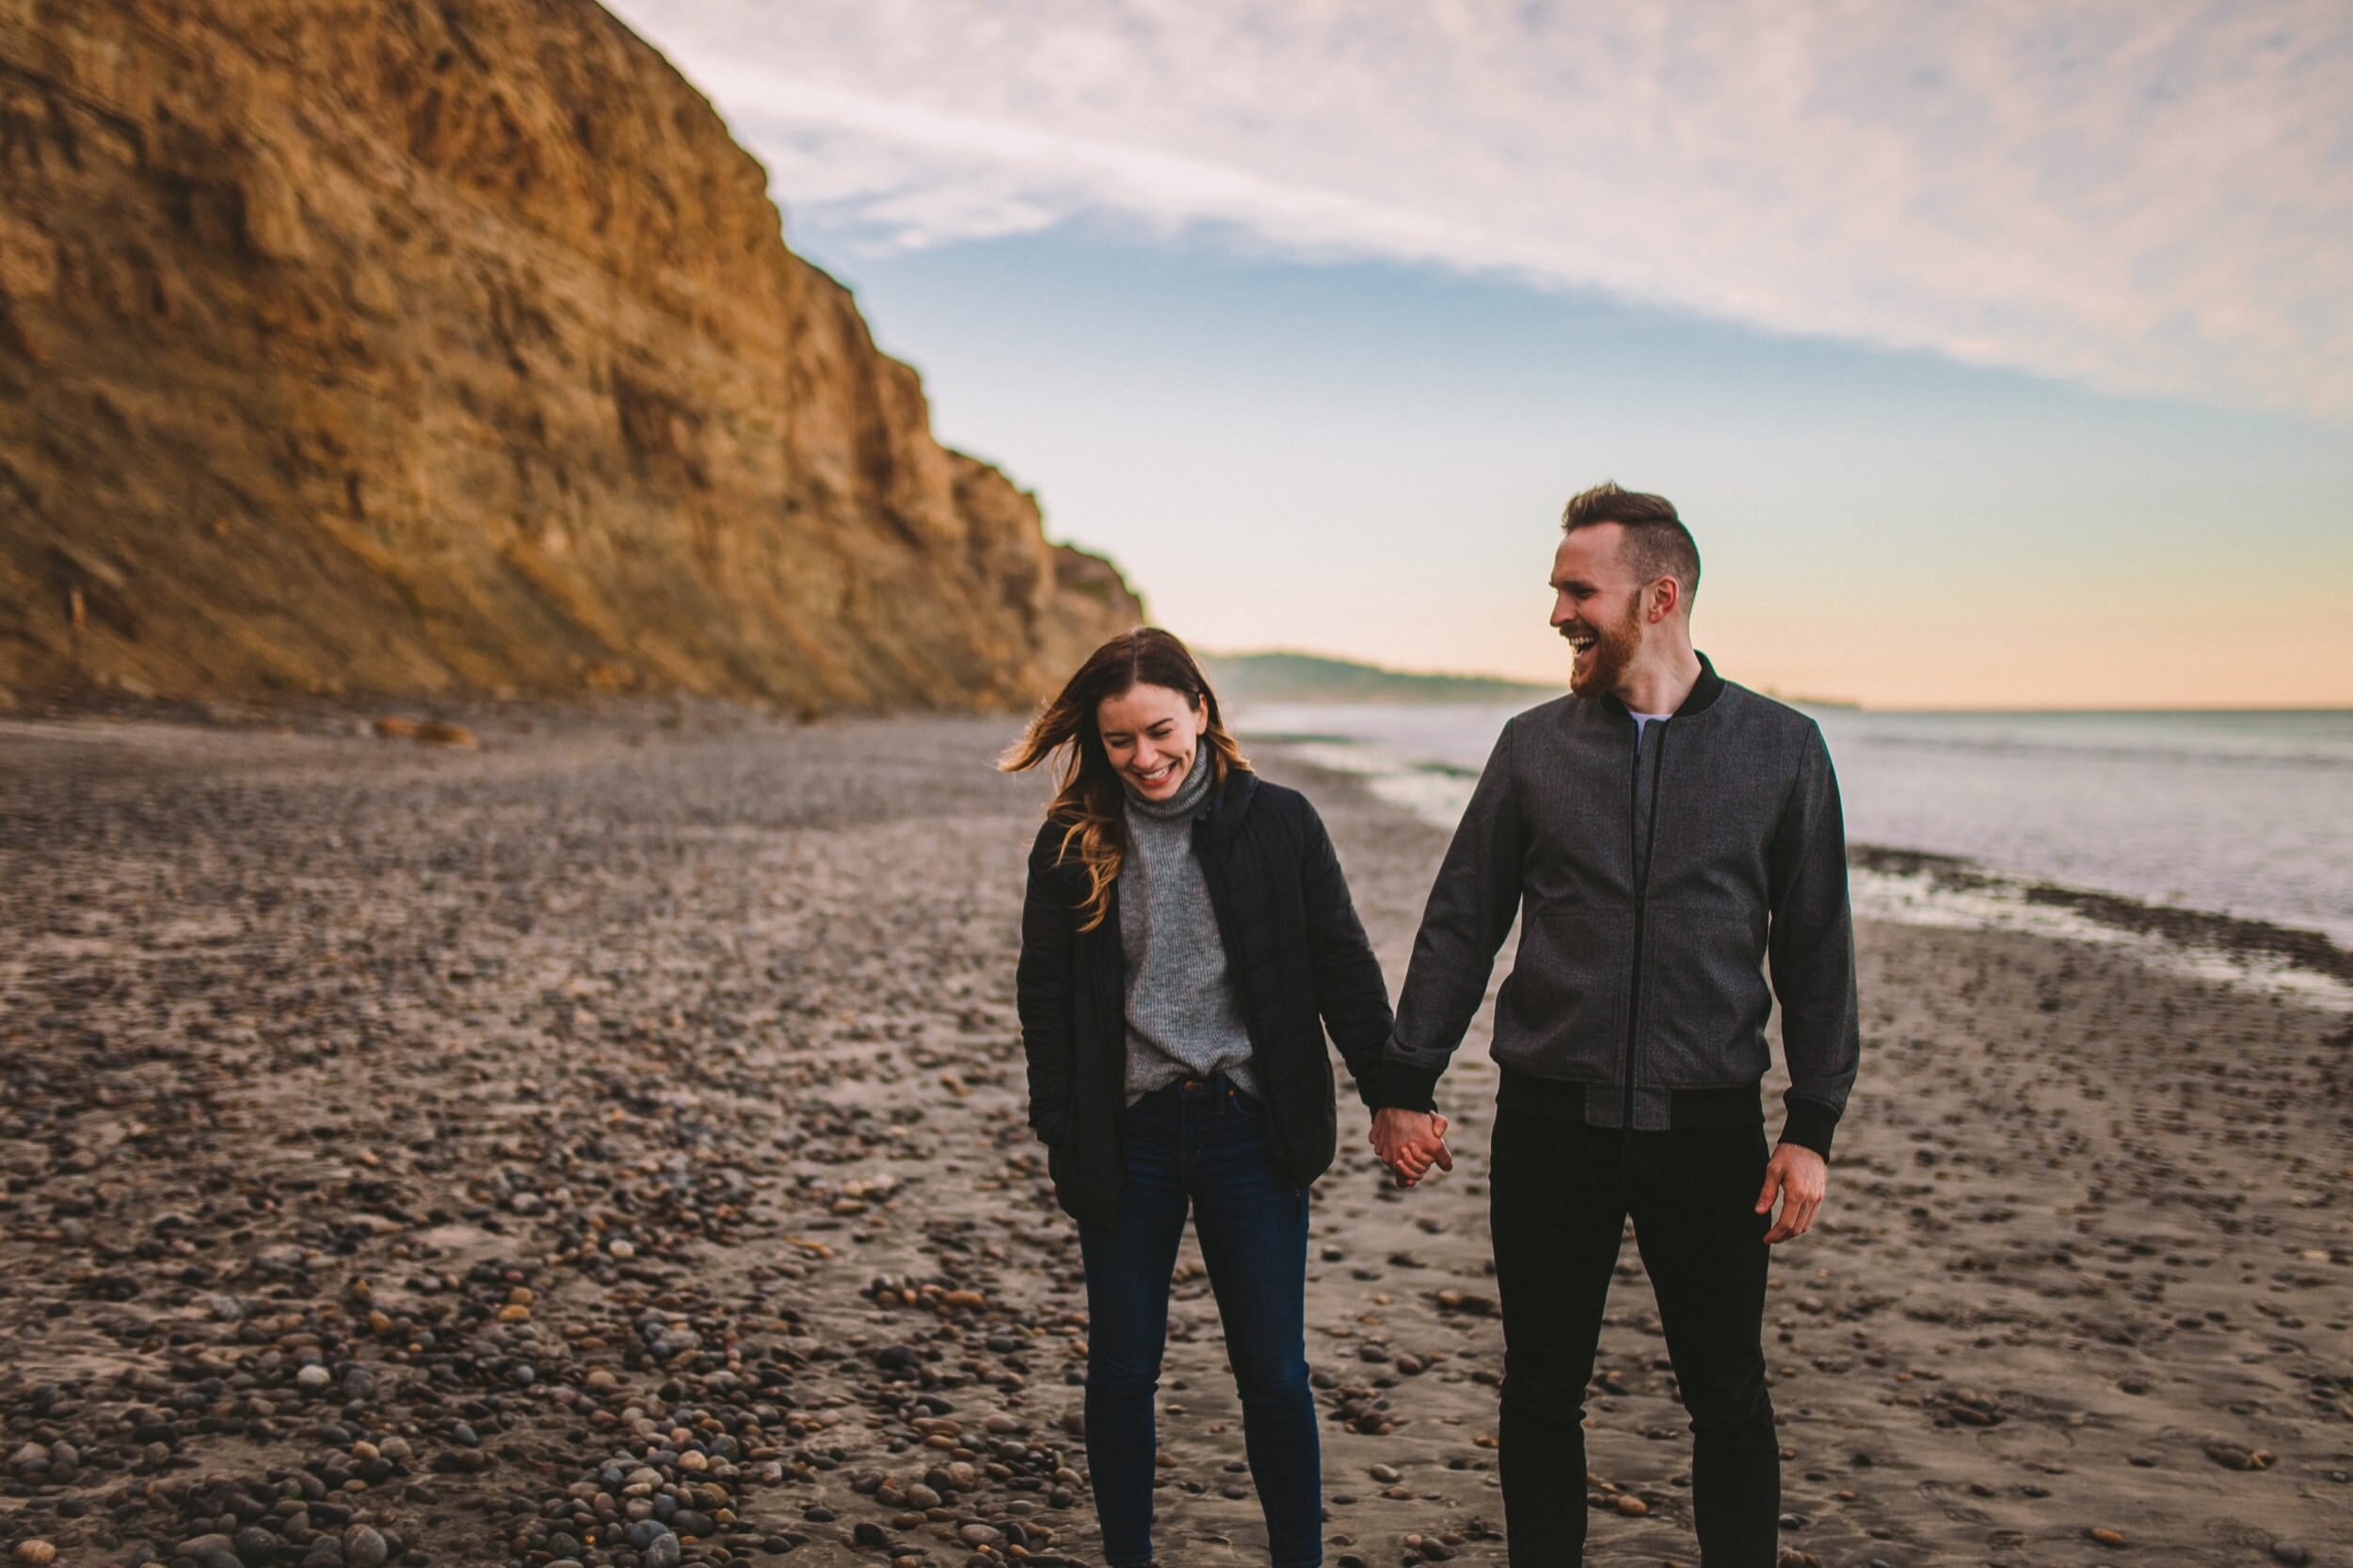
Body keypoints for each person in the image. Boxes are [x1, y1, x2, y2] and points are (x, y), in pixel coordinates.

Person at [1367, 482, 1861, 1567]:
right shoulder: (1532, 746)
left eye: (1575, 591)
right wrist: (1405, 1079)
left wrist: (1810, 1122)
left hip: (1710, 1131)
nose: (1555, 614)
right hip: (1552, 1129)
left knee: (1727, 1390)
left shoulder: (1780, 748)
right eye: (1555, 591)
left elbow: (1815, 944)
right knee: (1541, 1388)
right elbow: (1463, 918)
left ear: (1660, 595)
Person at [1005, 627, 1396, 1568]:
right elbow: (1044, 995)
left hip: (1247, 1129)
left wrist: (1395, 1094)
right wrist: (1061, 1124)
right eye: (1120, 740)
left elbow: (1342, 965)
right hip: (1127, 1131)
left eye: (1159, 730)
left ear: (1201, 712)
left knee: (1273, 1373)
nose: (1144, 757)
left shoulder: (1281, 822)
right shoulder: (1072, 839)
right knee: (1122, 1370)